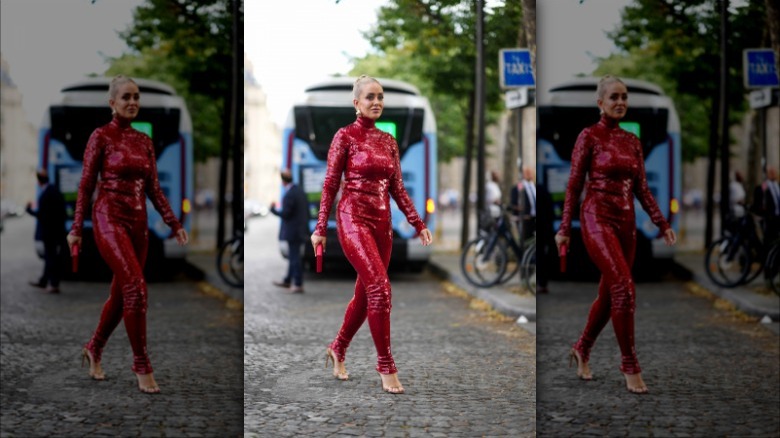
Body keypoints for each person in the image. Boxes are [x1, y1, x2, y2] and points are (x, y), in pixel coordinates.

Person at [310, 75, 432, 394]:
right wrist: (321, 228)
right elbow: (330, 184)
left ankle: (338, 347)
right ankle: (386, 365)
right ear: (356, 103)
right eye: (370, 97)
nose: (376, 102)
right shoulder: (345, 136)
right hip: (352, 216)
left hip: (382, 223)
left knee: (366, 295)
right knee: (380, 288)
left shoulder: (388, 141)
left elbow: (398, 188)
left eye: (380, 97)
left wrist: (417, 223)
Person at [66, 75, 188, 394]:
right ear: (112, 103)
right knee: (136, 288)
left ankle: (94, 347)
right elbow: (86, 184)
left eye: (136, 97)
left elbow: (154, 188)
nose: (132, 102)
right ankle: (141, 364)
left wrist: (173, 223)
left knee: (122, 295)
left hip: (138, 223)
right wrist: (77, 228)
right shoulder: (101, 136)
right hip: (108, 216)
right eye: (126, 97)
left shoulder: (144, 140)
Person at [555, 75, 676, 394]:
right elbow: (574, 184)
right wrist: (565, 228)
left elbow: (642, 188)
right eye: (614, 97)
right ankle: (630, 364)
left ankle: (582, 347)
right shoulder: (589, 136)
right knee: (624, 288)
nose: (620, 102)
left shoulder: (632, 141)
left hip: (626, 223)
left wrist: (662, 223)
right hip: (596, 216)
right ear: (600, 103)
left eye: (624, 97)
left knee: (610, 294)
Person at [26, 168, 67, 294]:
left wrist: (29, 210)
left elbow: (43, 214)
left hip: (51, 232)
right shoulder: (53, 190)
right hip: (55, 231)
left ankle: (54, 284)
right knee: (50, 257)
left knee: (51, 258)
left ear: (38, 181)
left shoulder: (48, 192)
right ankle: (44, 281)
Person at [270, 169, 309, 293]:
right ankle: (287, 280)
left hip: (293, 232)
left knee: (294, 258)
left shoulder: (290, 194)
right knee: (294, 256)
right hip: (300, 230)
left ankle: (298, 284)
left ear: (283, 182)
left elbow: (286, 214)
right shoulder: (299, 190)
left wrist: (273, 210)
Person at [753, 165, 780, 254]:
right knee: (769, 239)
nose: (773, 174)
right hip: (770, 218)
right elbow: (760, 195)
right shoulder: (765, 185)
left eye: (774, 172)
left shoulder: (777, 185)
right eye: (770, 172)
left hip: (778, 217)